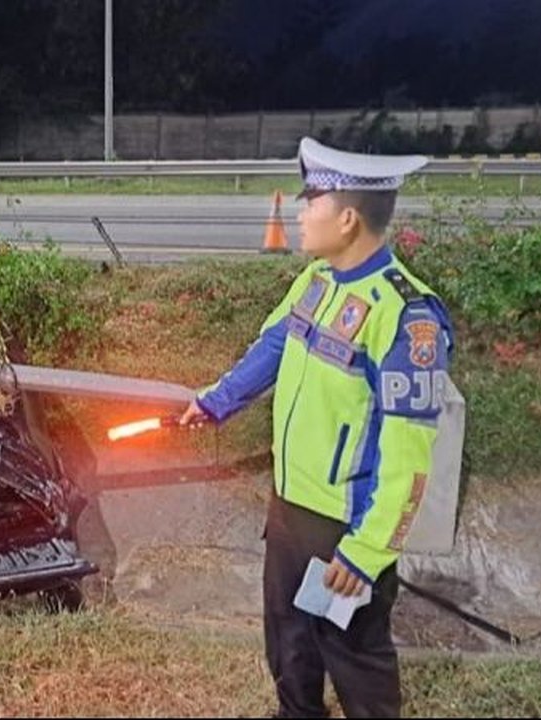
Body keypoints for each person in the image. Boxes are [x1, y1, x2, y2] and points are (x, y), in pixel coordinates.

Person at [180, 137, 455, 718]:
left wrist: (365, 552)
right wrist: (216, 402)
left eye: (312, 202)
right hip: (290, 510)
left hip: (345, 527)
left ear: (348, 217)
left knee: (355, 660)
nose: (300, 213)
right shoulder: (317, 281)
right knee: (289, 645)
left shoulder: (405, 317)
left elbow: (409, 458)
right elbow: (274, 344)